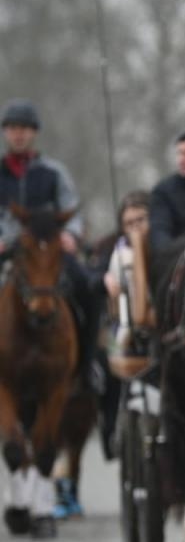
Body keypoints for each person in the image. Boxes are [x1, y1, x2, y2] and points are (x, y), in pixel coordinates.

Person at [1, 98, 97, 379]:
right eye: (13, 128)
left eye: (24, 128)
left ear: (34, 133)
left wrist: (70, 234)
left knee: (87, 287)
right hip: (7, 249)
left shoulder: (54, 172)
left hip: (47, 253)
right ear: (5, 132)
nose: (18, 134)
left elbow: (72, 209)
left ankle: (87, 365)